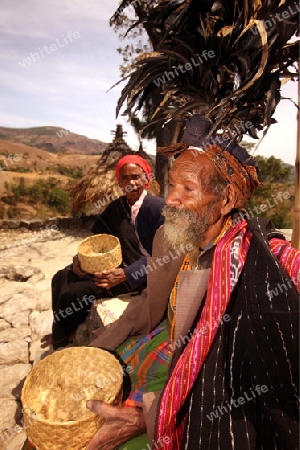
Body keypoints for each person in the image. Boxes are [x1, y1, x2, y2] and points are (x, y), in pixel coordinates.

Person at [85, 121, 299, 449]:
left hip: (206, 385)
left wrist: (151, 417)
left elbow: (240, 382)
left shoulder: (260, 261)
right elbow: (152, 298)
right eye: (172, 185)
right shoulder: (174, 237)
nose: (170, 199)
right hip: (164, 342)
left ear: (226, 200)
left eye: (188, 188)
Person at [43, 154, 165, 350]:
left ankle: (67, 336)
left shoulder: (157, 208)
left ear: (147, 178)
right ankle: (63, 332)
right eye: (125, 178)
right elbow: (98, 240)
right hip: (117, 266)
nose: (131, 182)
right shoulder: (117, 207)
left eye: (136, 176)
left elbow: (166, 256)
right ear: (119, 182)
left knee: (75, 291)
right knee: (61, 277)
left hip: (142, 276)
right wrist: (80, 260)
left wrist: (126, 275)